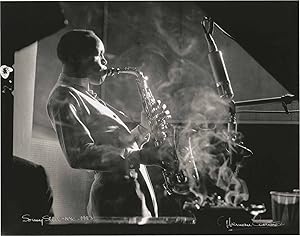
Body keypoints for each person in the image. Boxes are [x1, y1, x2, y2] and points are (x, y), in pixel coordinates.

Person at [47, 29, 175, 218]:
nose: (105, 61)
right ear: (76, 58)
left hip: (130, 193)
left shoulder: (86, 95)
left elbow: (119, 145)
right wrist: (138, 157)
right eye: (98, 55)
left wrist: (143, 128)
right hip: (113, 200)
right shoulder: (63, 96)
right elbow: (79, 154)